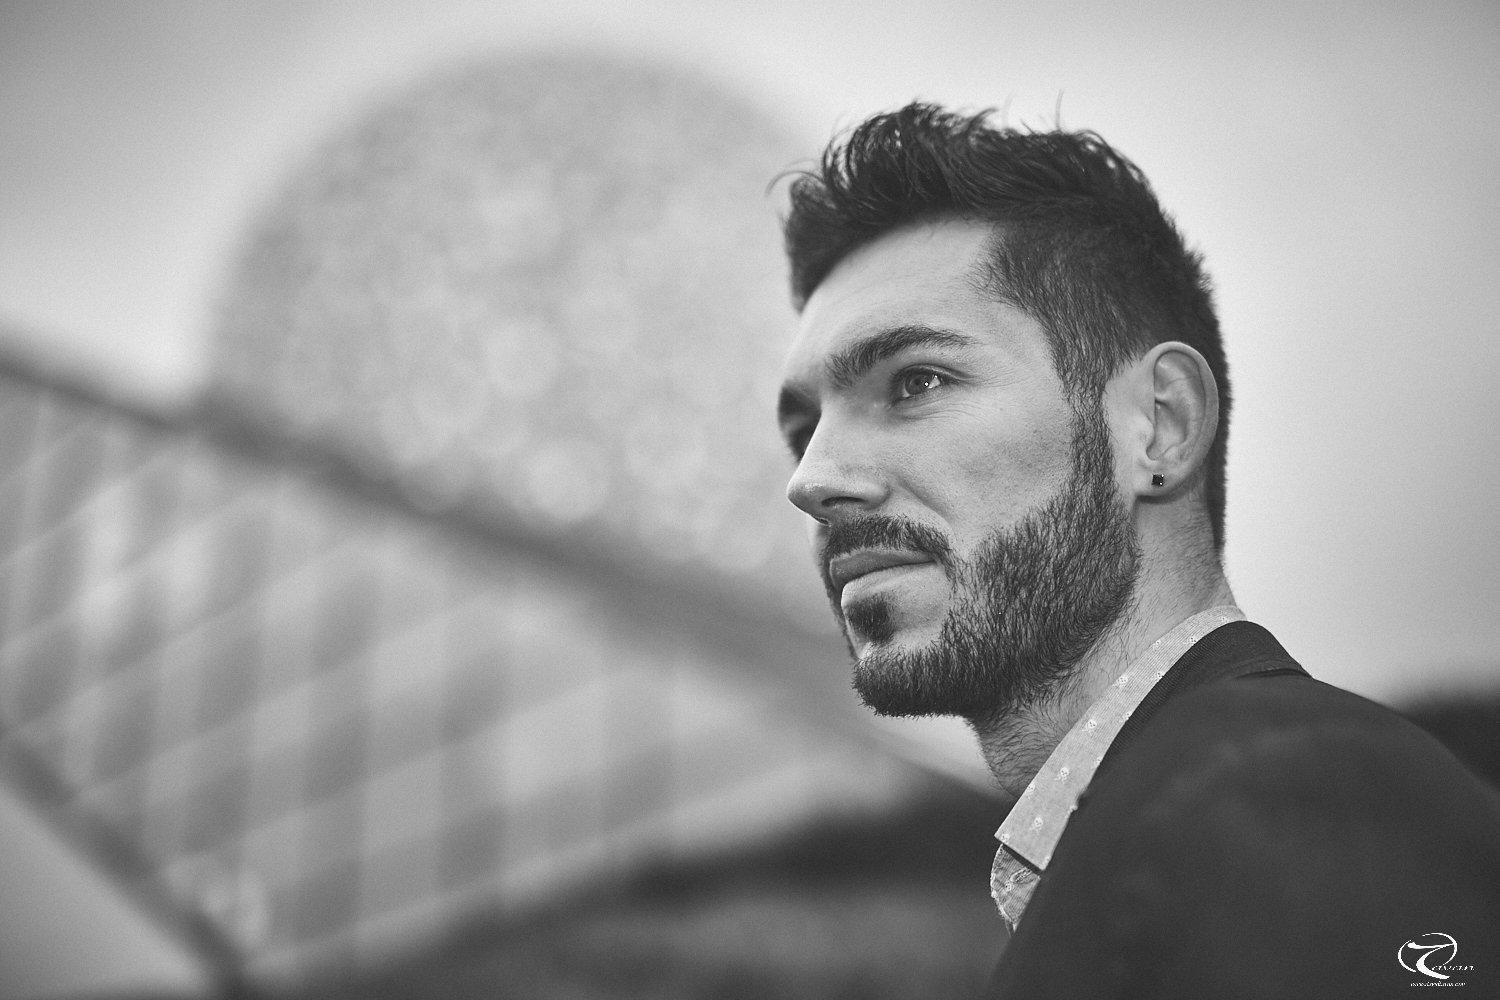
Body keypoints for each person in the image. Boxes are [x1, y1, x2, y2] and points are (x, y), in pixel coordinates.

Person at [774, 103, 1500, 998]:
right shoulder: (1173, 830)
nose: (812, 479)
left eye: (916, 381)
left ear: (1160, 426)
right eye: (802, 431)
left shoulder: (1285, 792)